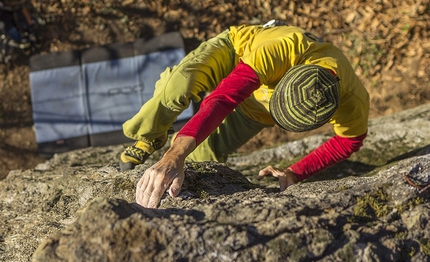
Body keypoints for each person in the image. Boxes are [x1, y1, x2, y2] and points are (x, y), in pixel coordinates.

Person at [119, 21, 370, 208]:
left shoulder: (352, 101)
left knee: (201, 159)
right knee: (177, 86)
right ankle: (150, 135)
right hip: (237, 51)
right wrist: (174, 155)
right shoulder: (283, 49)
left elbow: (349, 140)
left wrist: (296, 172)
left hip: (258, 110)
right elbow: (224, 98)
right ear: (287, 75)